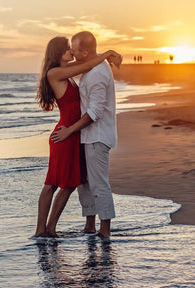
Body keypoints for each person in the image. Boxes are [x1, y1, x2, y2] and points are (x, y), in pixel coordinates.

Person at [34, 36, 121, 237]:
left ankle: (49, 230)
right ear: (58, 53)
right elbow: (87, 62)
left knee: (67, 183)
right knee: (54, 183)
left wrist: (102, 55)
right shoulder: (56, 73)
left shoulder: (67, 72)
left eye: (72, 49)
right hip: (65, 134)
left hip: (73, 134)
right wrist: (106, 54)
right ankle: (43, 230)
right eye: (67, 50)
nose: (71, 53)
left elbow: (86, 61)